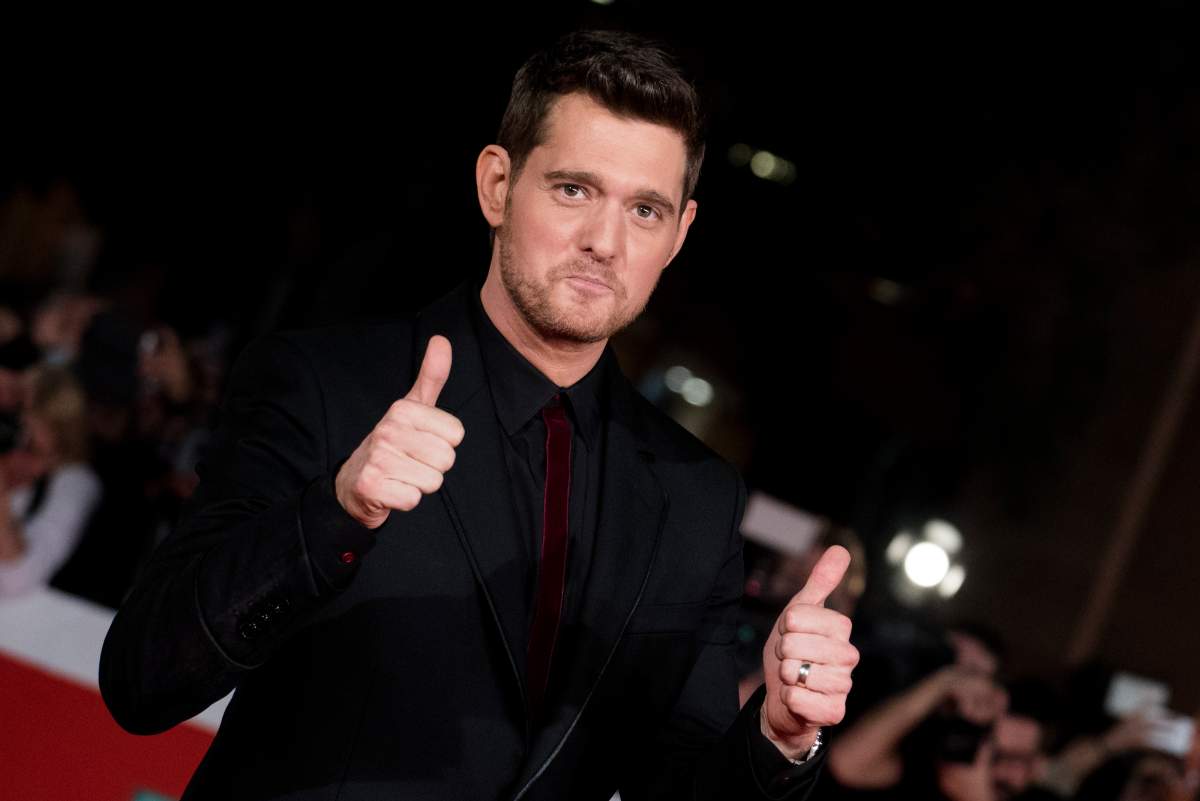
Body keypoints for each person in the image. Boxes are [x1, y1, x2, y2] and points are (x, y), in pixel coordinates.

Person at [99, 30, 858, 800]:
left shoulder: (696, 498)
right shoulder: (328, 385)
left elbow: (677, 784)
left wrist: (778, 738)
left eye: (645, 209)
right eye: (573, 190)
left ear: (680, 234)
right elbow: (142, 680)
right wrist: (333, 515)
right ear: (497, 185)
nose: (605, 240)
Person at [0, 362, 102, 596]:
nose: (19, 423)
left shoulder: (78, 485)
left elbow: (18, 577)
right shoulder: (17, 464)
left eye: (26, 413)